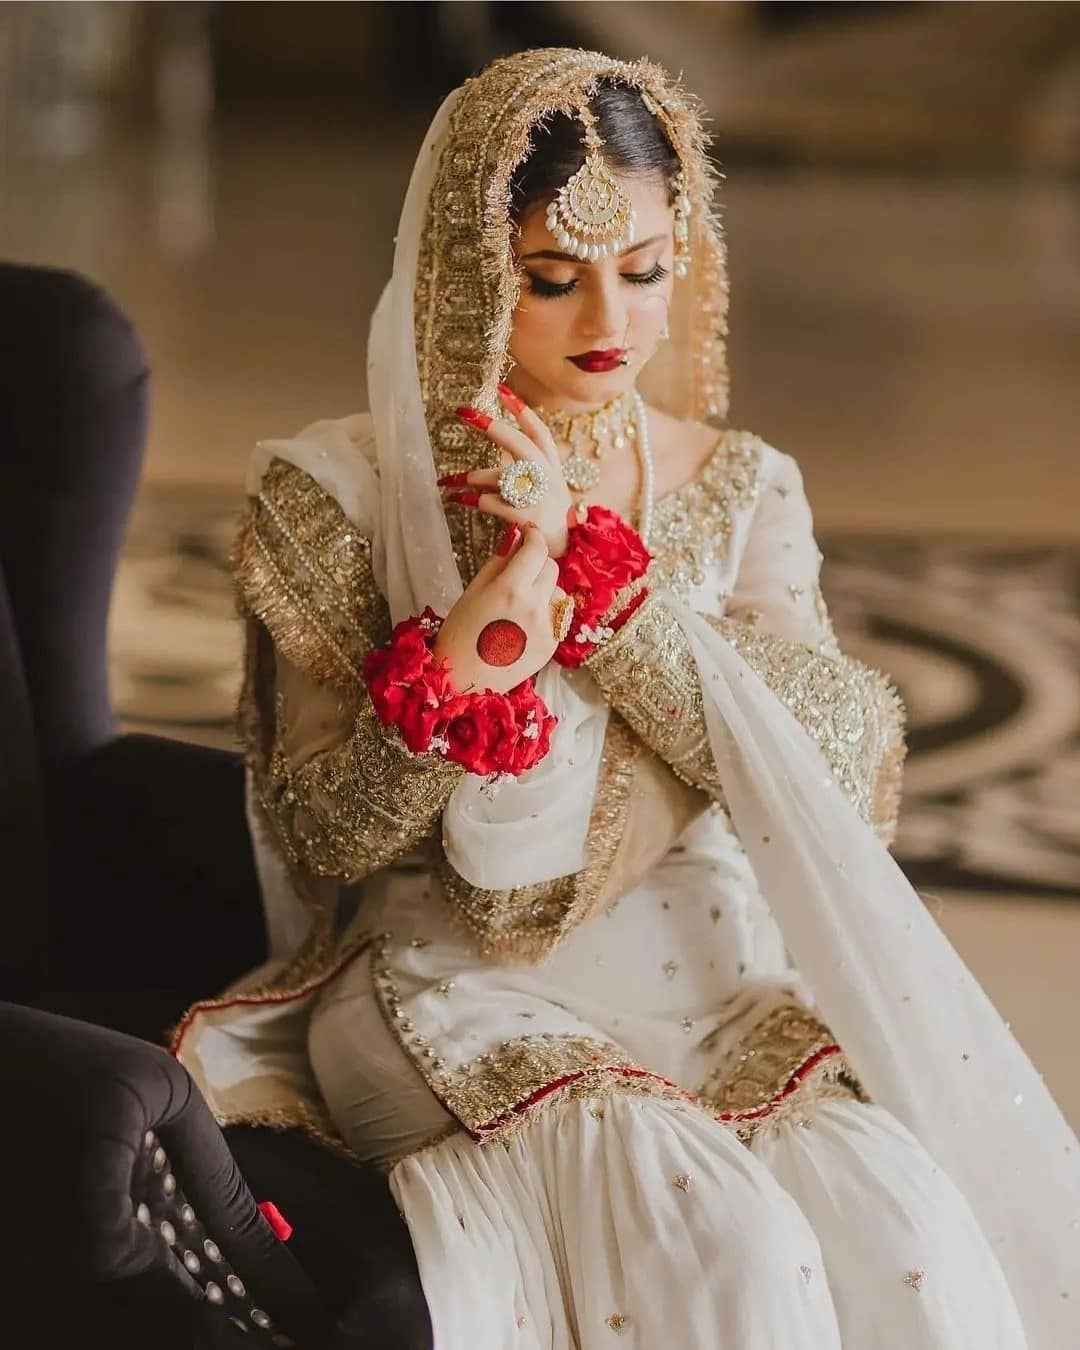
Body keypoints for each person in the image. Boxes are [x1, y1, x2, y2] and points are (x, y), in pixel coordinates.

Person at [174, 48, 1080, 1348]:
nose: (610, 315)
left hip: (723, 987)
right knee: (726, 1244)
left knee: (908, 1237)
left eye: (645, 269)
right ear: (466, 272)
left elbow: (841, 766)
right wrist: (471, 655)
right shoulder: (344, 496)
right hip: (462, 984)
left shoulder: (739, 484)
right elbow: (324, 832)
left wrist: (611, 599)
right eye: (552, 279)